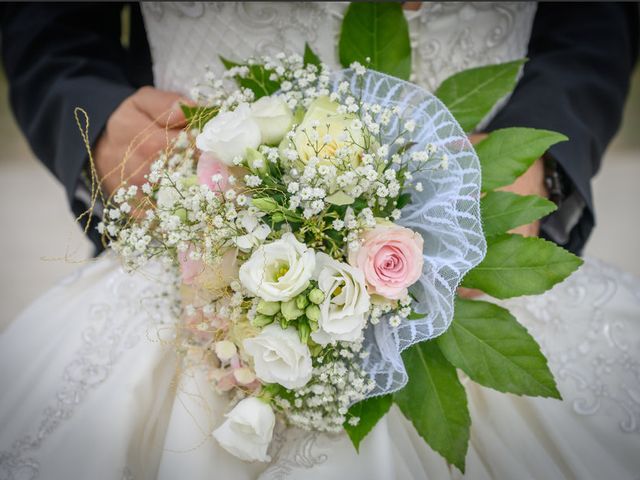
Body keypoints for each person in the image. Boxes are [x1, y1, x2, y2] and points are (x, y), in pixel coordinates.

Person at [1, 2, 639, 479]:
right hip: (189, 271)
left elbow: (596, 20)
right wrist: (95, 122)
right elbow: (45, 25)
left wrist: (539, 157)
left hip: (476, 257)